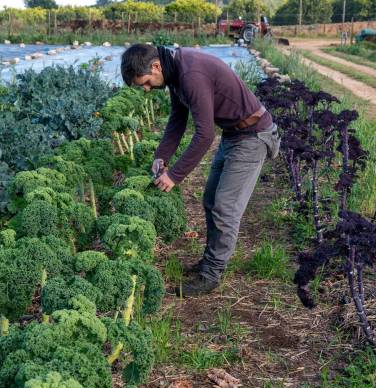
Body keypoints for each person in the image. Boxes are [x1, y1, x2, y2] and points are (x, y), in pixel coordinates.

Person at [120, 44, 280, 297]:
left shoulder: (190, 74)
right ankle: (210, 260)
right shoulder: (174, 73)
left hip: (253, 136)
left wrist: (174, 175)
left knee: (225, 208)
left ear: (155, 66)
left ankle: (212, 274)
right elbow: (177, 119)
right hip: (234, 134)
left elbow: (204, 135)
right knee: (210, 201)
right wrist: (161, 156)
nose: (147, 89)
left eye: (146, 83)